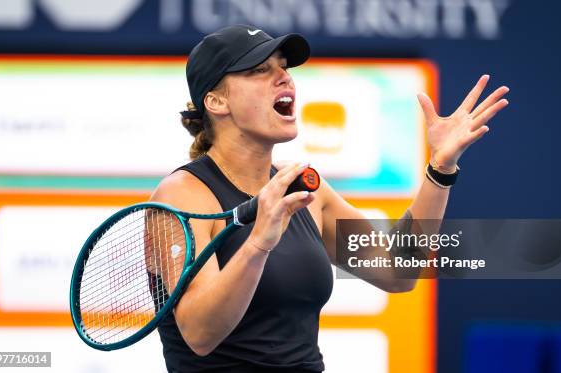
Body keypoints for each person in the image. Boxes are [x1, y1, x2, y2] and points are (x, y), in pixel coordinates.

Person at [149, 24, 509, 373]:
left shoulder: (307, 190)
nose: (284, 77)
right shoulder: (183, 194)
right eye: (259, 70)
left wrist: (440, 168)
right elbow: (200, 334)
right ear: (216, 101)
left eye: (284, 68)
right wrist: (259, 241)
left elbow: (398, 272)